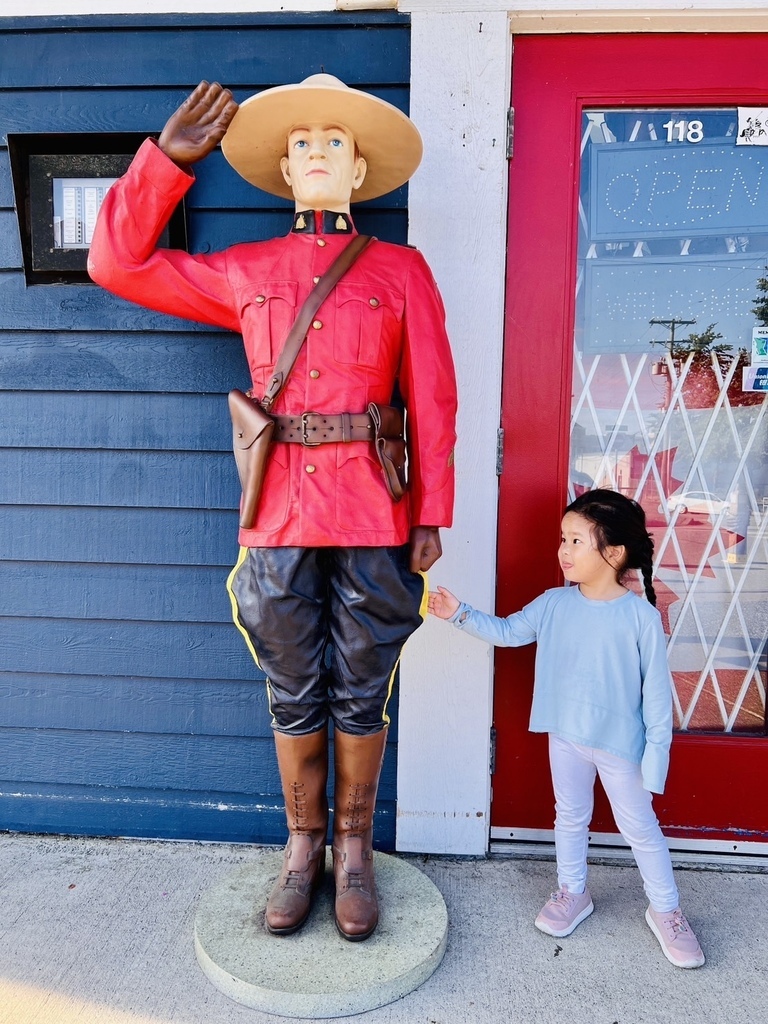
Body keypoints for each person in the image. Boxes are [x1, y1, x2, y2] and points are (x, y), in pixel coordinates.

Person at [88, 76, 458, 942]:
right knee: (293, 686)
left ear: (362, 168)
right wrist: (165, 162)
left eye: (336, 141)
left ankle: (354, 851)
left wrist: (431, 512)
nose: (318, 151)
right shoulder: (245, 270)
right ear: (284, 172)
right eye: (302, 143)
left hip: (375, 510)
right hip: (278, 514)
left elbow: (434, 399)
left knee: (363, 688)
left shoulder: (402, 271)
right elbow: (117, 264)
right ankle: (303, 850)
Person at [428, 489, 705, 969]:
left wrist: (655, 761)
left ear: (614, 553)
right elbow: (510, 631)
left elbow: (658, 700)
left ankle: (667, 910)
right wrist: (460, 614)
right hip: (566, 736)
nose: (563, 550)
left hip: (622, 748)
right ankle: (572, 892)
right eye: (563, 538)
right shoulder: (555, 603)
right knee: (569, 816)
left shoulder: (639, 617)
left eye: (576, 540)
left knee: (641, 829)